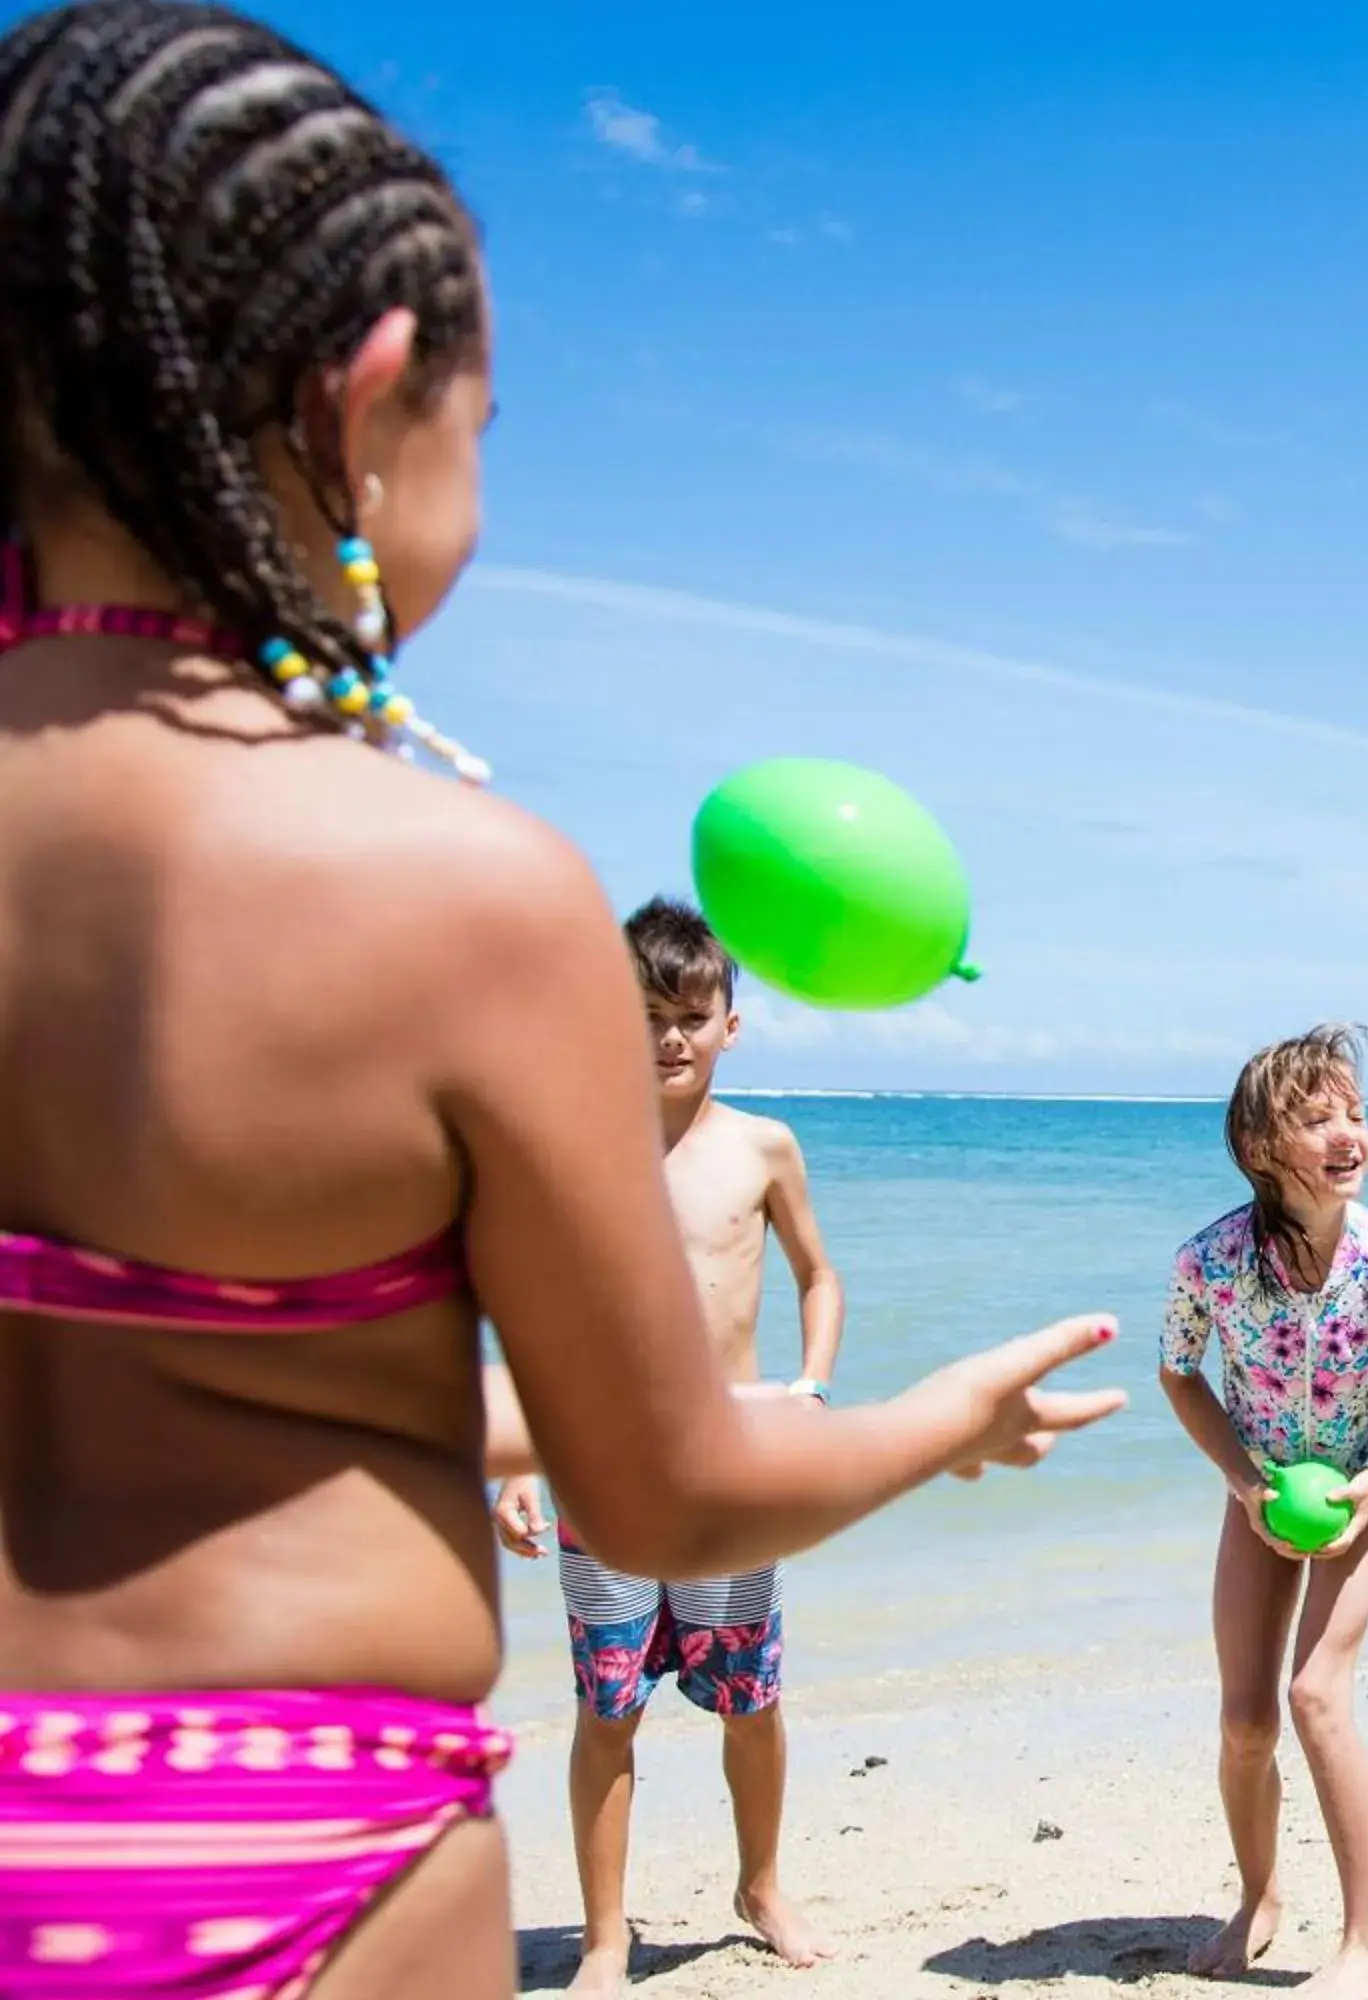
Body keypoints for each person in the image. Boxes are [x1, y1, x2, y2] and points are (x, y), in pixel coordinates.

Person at [0, 8, 1123, 1996]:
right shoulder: (452, 889)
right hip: (287, 1851)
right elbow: (665, 1480)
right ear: (361, 403)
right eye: (482, 431)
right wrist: (938, 1413)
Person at [491, 898, 848, 1991]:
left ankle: (763, 1880)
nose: (670, 1037)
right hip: (602, 1467)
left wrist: (811, 1386)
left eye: (692, 1014)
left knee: (751, 1697)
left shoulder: (762, 1146)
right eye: (647, 1014)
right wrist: (513, 1460)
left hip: (730, 1469)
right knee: (609, 1705)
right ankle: (605, 1936)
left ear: (729, 1023)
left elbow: (817, 1275)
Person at [1158, 1026, 1368, 2000]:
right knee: (1245, 1720)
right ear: (1260, 1148)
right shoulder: (1210, 1260)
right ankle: (1258, 1897)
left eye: (1356, 1112)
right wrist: (1246, 1484)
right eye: (1317, 1116)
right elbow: (1178, 1368)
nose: (1348, 1132)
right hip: (1259, 1492)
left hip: (1360, 1487)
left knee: (1316, 1693)